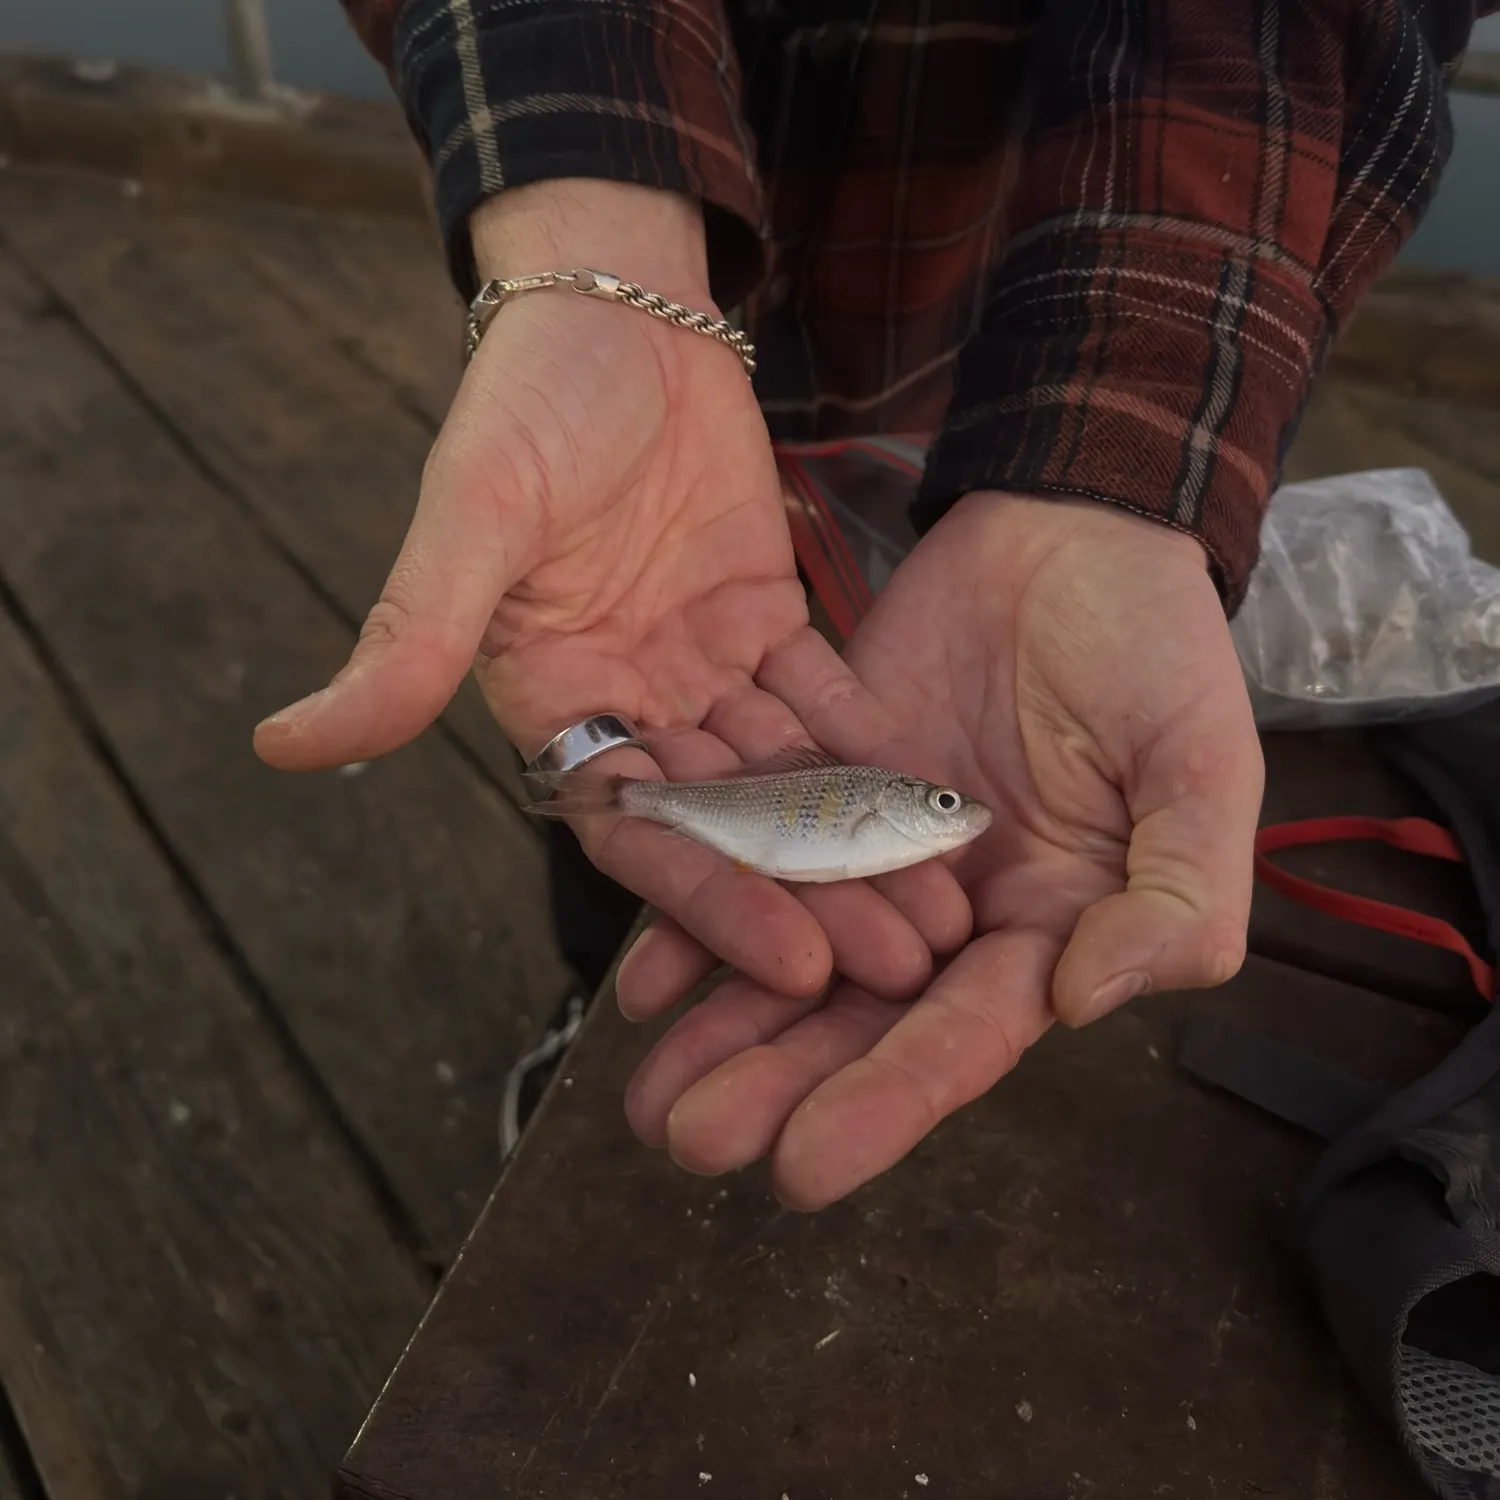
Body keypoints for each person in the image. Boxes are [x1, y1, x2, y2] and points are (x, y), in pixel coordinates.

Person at [255, 0, 1486, 1209]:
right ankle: (598, 973)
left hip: (1004, 289)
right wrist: (592, 240)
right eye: (941, 805)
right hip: (624, 224)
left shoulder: (900, 786)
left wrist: (1124, 454)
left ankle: (626, 934)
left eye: (943, 805)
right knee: (622, 672)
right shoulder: (879, 792)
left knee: (744, 674)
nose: (955, 814)